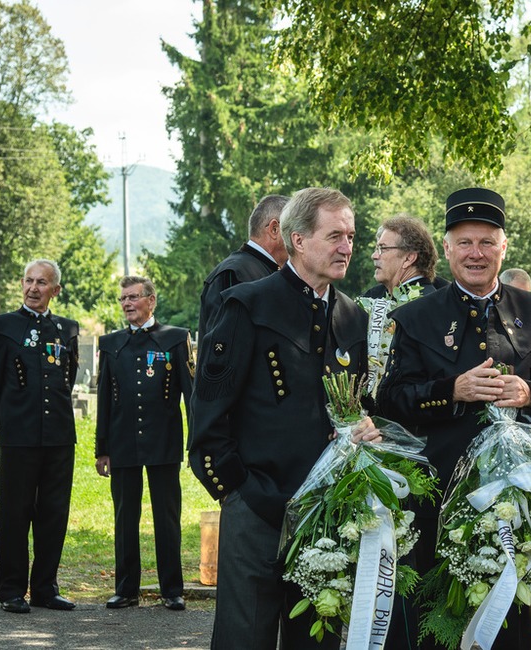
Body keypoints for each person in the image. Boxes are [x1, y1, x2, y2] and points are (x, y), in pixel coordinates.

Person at [377, 187, 531, 650]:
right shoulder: (415, 317)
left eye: (487, 242)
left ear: (504, 247)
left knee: (507, 624)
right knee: (431, 623)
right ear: (446, 249)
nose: (476, 253)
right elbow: (391, 400)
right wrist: (452, 391)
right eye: (464, 243)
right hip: (436, 496)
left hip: (514, 502)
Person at [189, 187, 379, 649]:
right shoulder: (247, 305)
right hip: (258, 505)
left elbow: (357, 405)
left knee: (316, 641)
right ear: (297, 239)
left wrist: (367, 427)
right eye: (334, 235)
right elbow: (209, 414)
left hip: (329, 514)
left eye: (352, 236)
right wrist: (238, 489)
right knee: (244, 638)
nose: (347, 247)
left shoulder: (353, 318)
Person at [0, 260, 80, 614]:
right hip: (18, 438)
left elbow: (66, 381)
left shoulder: (66, 329)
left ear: (55, 290)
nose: (33, 288)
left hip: (58, 438)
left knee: (54, 514)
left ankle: (44, 588)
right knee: (14, 513)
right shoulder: (3, 327)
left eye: (42, 283)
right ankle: (10, 589)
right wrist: (5, 425)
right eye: (28, 281)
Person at [95, 276, 195, 611]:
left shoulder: (175, 339)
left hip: (163, 441)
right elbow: (105, 401)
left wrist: (198, 441)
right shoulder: (111, 344)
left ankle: (172, 589)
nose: (126, 304)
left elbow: (190, 397)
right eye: (122, 298)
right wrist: (101, 449)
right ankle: (126, 589)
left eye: (133, 297)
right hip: (123, 443)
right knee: (125, 518)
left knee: (167, 517)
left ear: (151, 300)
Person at [197, 194, 289, 344]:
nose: (299, 238)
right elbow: (222, 352)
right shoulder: (234, 274)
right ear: (274, 229)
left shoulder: (265, 270)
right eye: (294, 229)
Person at [361, 214, 448, 298]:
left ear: (409, 258)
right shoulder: (374, 295)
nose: (374, 256)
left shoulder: (427, 304)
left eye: (383, 248)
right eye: (377, 248)